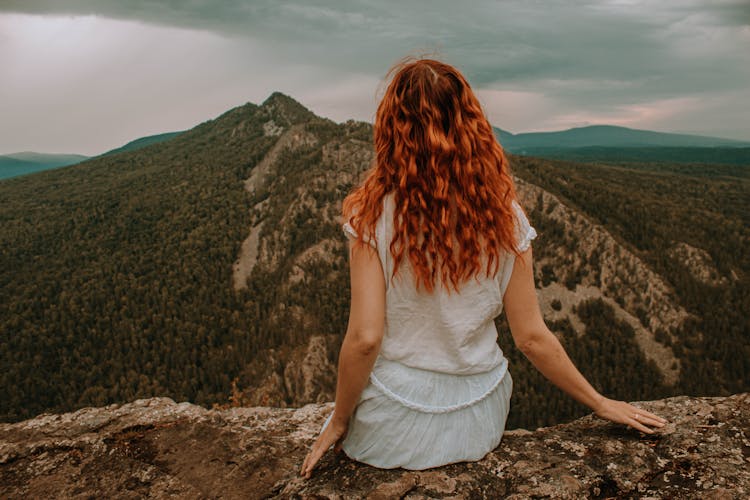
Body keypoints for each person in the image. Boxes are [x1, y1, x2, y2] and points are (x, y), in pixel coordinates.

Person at [300, 56, 668, 479]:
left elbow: (365, 338)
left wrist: (340, 420)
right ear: (469, 124)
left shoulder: (371, 216)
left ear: (391, 129)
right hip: (476, 418)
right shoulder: (506, 218)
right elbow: (531, 338)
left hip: (393, 423)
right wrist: (600, 403)